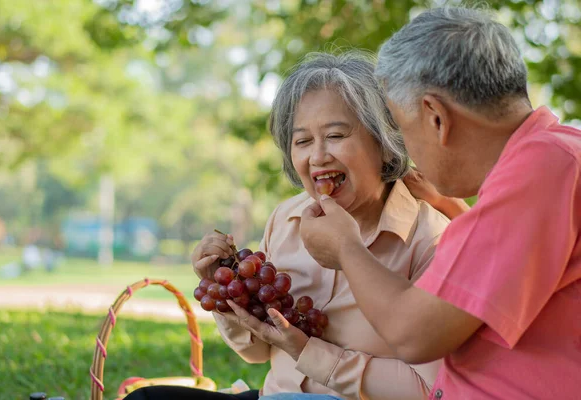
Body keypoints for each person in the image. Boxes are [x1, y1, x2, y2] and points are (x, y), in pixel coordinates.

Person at [125, 51, 463, 400]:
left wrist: (308, 352)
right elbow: (257, 354)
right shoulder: (286, 219)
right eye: (302, 141)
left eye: (335, 135)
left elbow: (427, 389)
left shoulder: (429, 239)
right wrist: (225, 292)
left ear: (384, 142)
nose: (317, 157)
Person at [291, 6, 581, 400]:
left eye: (402, 129)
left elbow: (413, 335)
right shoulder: (556, 156)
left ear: (435, 117)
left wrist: (346, 247)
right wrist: (455, 209)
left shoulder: (540, 171)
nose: (407, 152)